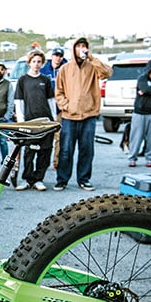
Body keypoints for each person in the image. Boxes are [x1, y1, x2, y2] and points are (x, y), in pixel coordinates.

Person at [53, 36, 108, 191]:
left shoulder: (93, 66)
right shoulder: (65, 68)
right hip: (69, 116)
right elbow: (58, 92)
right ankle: (62, 179)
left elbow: (107, 73)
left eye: (84, 46)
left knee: (87, 149)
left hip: (88, 115)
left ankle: (84, 179)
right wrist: (66, 105)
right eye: (79, 46)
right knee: (65, 149)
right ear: (73, 49)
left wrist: (92, 58)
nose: (82, 49)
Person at [13, 50, 56, 191]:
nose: (36, 64)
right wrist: (21, 122)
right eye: (34, 61)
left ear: (42, 63)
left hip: (45, 122)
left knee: (45, 151)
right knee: (29, 151)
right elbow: (19, 102)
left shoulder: (45, 80)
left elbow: (51, 101)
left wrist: (54, 120)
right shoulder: (23, 80)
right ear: (29, 63)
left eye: (39, 62)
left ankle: (39, 179)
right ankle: (27, 179)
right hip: (30, 122)